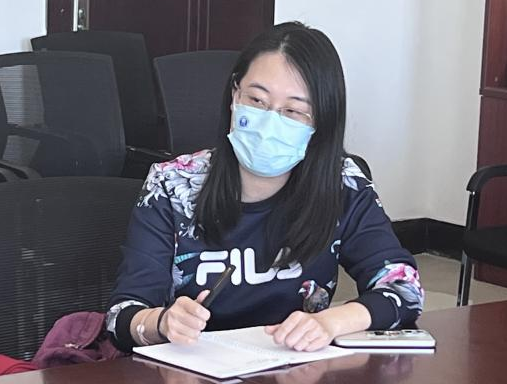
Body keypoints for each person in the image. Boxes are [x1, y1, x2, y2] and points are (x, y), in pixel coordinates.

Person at [107, 21, 423, 353]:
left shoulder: (342, 183)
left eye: (293, 111)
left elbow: (403, 287)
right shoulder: (172, 185)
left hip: (295, 369)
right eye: (256, 100)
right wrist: (160, 322)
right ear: (234, 95)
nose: (269, 122)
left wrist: (330, 323)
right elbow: (122, 316)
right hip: (191, 372)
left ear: (321, 121)